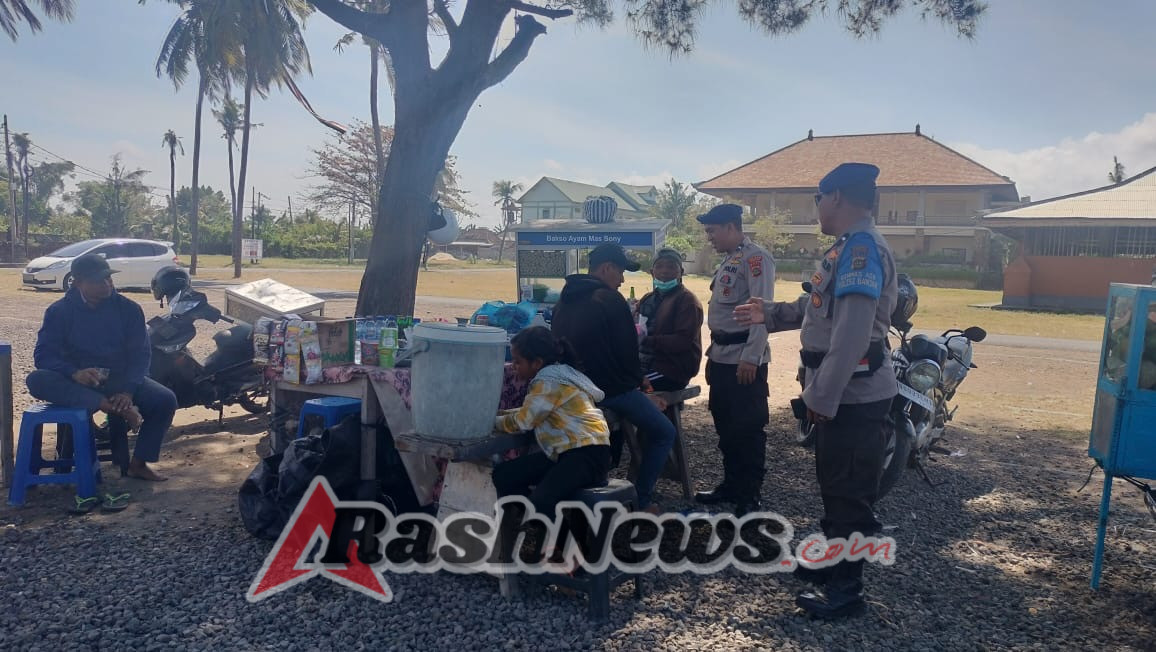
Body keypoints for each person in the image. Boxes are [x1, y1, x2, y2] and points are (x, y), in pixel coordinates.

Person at [735, 162, 898, 619]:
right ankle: (834, 565)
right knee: (836, 486)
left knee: (850, 493)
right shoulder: (847, 248)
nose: (818, 208)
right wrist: (771, 312)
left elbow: (852, 334)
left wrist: (821, 398)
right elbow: (821, 307)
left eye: (818, 199)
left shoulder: (862, 249)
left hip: (852, 394)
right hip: (843, 391)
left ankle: (847, 593)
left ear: (838, 198)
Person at [27, 253, 177, 482]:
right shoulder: (60, 311)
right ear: (78, 282)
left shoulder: (128, 309)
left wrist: (128, 390)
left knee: (165, 400)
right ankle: (111, 407)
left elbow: (140, 355)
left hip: (118, 378)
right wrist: (74, 372)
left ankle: (138, 463)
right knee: (36, 379)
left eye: (108, 278)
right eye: (98, 280)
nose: (106, 284)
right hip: (78, 384)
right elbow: (43, 355)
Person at [550, 243, 677, 513]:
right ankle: (642, 500)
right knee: (665, 432)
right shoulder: (609, 299)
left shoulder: (565, 297)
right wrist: (642, 388)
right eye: (620, 272)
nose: (621, 280)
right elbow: (627, 352)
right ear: (606, 268)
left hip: (572, 387)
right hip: (611, 390)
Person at [694, 203, 774, 517]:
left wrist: (752, 357)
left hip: (743, 358)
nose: (709, 237)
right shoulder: (732, 258)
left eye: (712, 231)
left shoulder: (756, 258)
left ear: (730, 226)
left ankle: (749, 495)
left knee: (748, 429)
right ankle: (731, 484)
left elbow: (762, 310)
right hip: (722, 356)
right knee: (725, 425)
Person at [491, 327, 612, 520]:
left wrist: (490, 422)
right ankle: (542, 521)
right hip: (566, 452)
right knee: (503, 475)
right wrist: (498, 415)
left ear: (536, 363)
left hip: (587, 453)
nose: (514, 366)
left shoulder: (548, 382)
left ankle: (564, 542)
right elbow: (531, 412)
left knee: (542, 502)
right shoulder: (557, 376)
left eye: (518, 362)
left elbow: (524, 421)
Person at [637, 248, 704, 392]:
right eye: (659, 266)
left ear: (681, 271)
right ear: (651, 271)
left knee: (631, 387)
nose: (664, 271)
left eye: (671, 266)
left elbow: (683, 340)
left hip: (671, 369)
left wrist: (646, 340)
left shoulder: (687, 300)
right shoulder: (647, 299)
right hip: (646, 363)